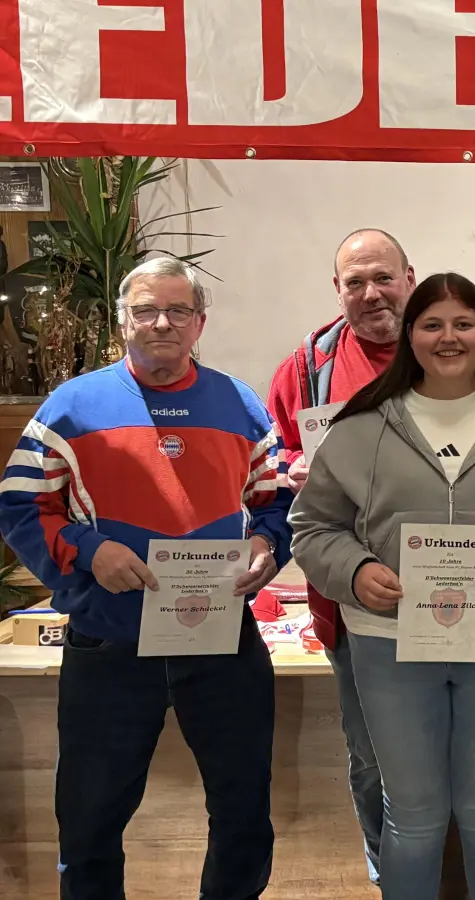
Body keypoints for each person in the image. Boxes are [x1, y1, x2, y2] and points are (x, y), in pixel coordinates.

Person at [0, 257, 293, 899]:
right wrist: (84, 550)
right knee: (90, 822)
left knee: (243, 815)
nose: (162, 322)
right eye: (145, 311)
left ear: (200, 323)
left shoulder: (240, 405)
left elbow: (276, 503)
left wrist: (269, 549)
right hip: (109, 646)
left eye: (178, 311)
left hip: (222, 645)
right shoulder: (72, 407)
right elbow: (21, 502)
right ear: (121, 322)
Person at [290, 272, 475, 900]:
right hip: (387, 641)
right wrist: (356, 572)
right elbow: (311, 528)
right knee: (412, 814)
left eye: (463, 323)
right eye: (432, 324)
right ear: (411, 336)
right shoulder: (360, 426)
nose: (449, 337)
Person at [267, 227, 416, 886]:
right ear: (338, 291)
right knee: (372, 761)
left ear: (410, 277)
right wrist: (291, 465)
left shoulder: (455, 347)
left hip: (455, 595)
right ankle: (392, 884)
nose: (371, 292)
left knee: (460, 763)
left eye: (383, 276)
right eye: (355, 281)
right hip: (350, 607)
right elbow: (265, 462)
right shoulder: (308, 368)